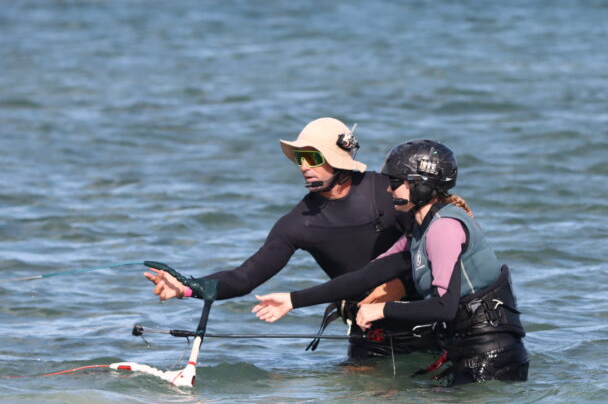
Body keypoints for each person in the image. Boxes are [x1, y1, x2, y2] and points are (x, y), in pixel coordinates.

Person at [143, 117, 439, 359]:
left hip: (430, 316)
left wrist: (401, 284)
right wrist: (187, 288)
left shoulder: (387, 191)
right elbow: (244, 278)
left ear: (337, 159)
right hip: (369, 331)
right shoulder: (299, 223)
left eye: (312, 157)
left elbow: (433, 242)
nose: (303, 166)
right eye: (299, 158)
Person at [253, 139, 529, 386]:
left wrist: (382, 309)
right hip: (466, 350)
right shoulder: (418, 231)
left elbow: (444, 307)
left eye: (395, 182)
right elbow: (364, 277)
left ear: (420, 184)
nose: (388, 188)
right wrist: (292, 300)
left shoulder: (444, 227)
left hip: (492, 355)